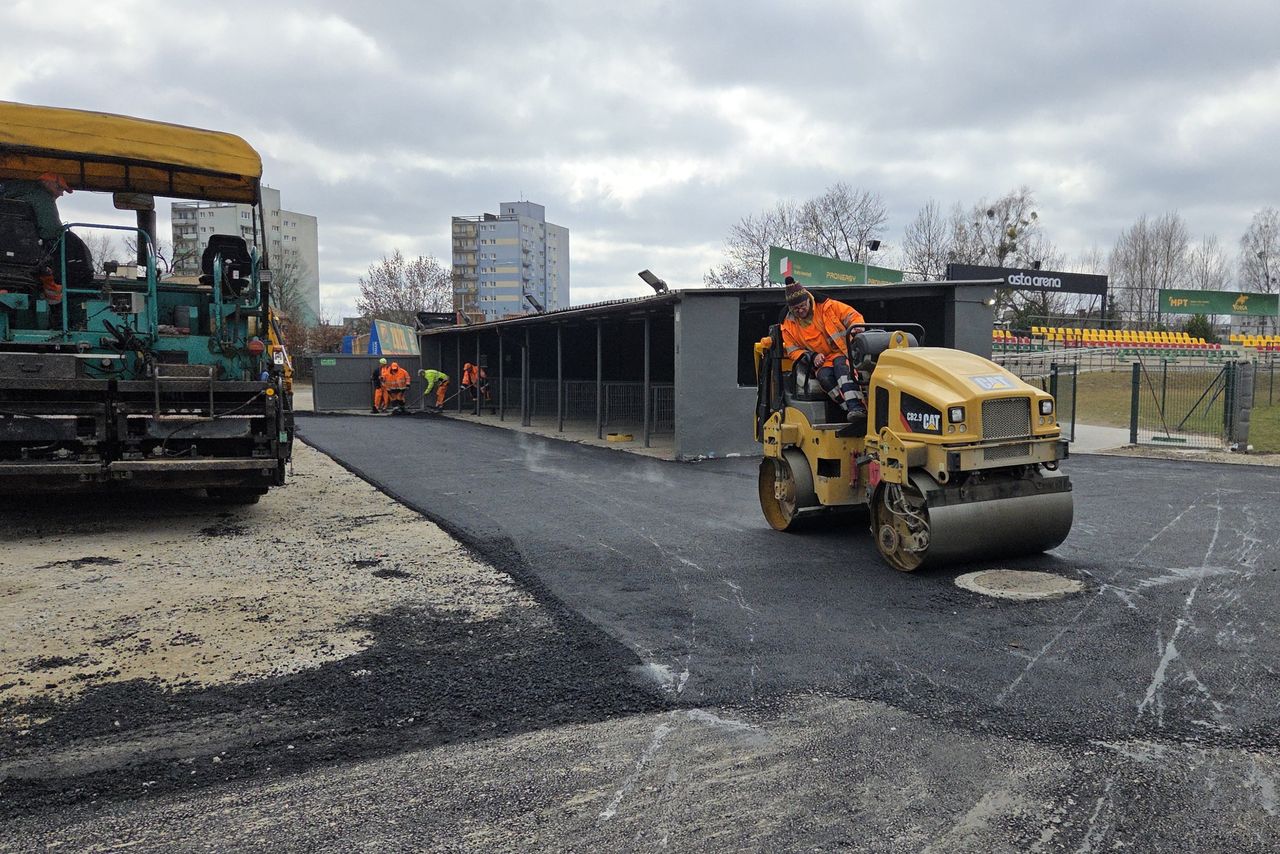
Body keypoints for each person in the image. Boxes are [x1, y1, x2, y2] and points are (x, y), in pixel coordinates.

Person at [779, 276, 867, 421]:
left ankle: (856, 406)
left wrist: (857, 326)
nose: (800, 311)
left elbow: (851, 315)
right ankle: (849, 410)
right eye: (796, 309)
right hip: (823, 361)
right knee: (825, 378)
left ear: (808, 299)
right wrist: (812, 357)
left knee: (842, 370)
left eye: (802, 306)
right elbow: (793, 351)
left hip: (843, 353)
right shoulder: (788, 325)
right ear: (790, 308)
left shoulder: (828, 307)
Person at [0, 172, 71, 245]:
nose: (61, 194)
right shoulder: (43, 197)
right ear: (47, 183)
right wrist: (61, 232)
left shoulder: (14, 192)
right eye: (59, 188)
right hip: (23, 246)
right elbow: (50, 230)